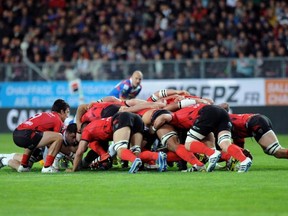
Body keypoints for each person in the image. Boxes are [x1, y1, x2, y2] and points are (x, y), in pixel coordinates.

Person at [152, 104, 253, 173]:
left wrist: (153, 128)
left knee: (188, 144)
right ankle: (244, 159)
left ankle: (212, 154)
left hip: (207, 113)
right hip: (222, 113)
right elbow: (207, 134)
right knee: (224, 144)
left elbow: (164, 117)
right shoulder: (189, 109)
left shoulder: (174, 115)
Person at [67, 111, 166, 173]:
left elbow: (80, 151)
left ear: (79, 130)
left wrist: (73, 169)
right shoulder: (95, 128)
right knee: (136, 152)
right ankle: (158, 156)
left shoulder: (86, 130)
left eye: (75, 137)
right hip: (136, 119)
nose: (76, 140)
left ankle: (135, 161)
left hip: (121, 118)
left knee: (120, 151)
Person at [12, 99, 70, 173]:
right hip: (27, 134)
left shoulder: (45, 114)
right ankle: (47, 167)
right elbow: (54, 143)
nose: (67, 116)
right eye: (67, 112)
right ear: (62, 111)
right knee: (59, 137)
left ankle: (24, 165)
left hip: (16, 134)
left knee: (34, 137)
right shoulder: (57, 120)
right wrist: (68, 154)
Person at [0, 123, 78, 171]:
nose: (74, 140)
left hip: (45, 148)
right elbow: (50, 145)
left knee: (25, 165)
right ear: (67, 133)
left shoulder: (69, 137)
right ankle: (5, 159)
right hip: (40, 147)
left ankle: (7, 156)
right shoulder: (58, 132)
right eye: (73, 137)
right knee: (25, 167)